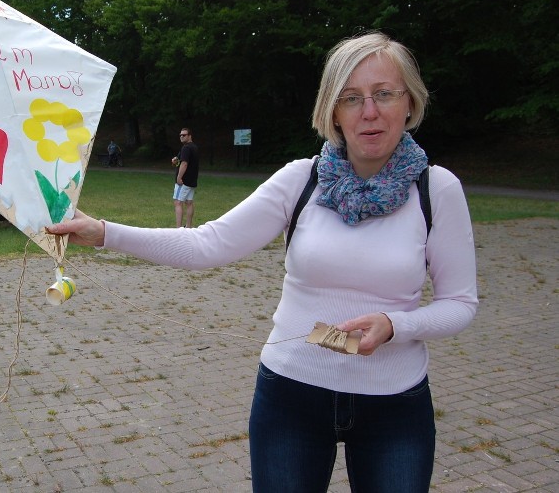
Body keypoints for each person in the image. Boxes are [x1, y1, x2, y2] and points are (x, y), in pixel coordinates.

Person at [48, 32, 478, 492]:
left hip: (395, 405)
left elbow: (460, 303)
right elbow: (206, 244)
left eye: (384, 94)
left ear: (409, 103)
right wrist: (105, 233)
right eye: (351, 98)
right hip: (291, 397)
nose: (369, 111)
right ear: (333, 111)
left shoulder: (437, 190)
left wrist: (396, 325)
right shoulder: (301, 180)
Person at [170, 127, 199, 227]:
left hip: (183, 181)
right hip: (192, 181)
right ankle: (188, 227)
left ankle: (179, 230)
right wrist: (175, 160)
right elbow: (179, 161)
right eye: (180, 135)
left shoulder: (186, 148)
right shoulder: (193, 147)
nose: (181, 136)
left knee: (178, 202)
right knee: (189, 202)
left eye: (184, 135)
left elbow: (184, 164)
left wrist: (179, 177)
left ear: (189, 136)